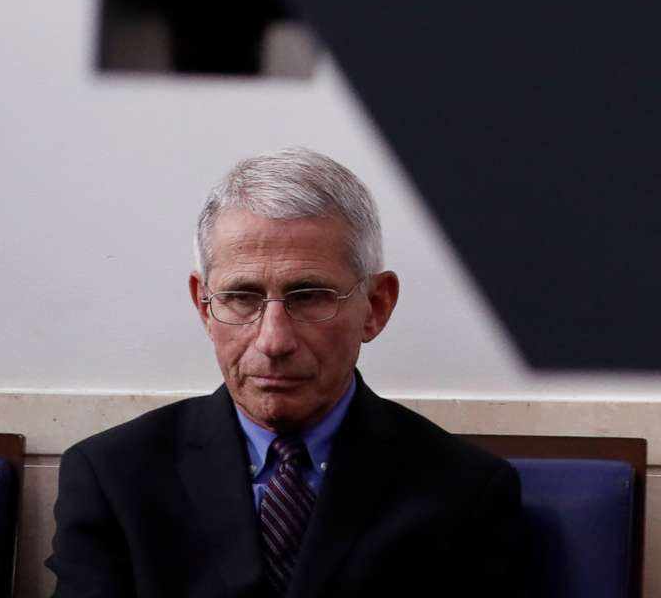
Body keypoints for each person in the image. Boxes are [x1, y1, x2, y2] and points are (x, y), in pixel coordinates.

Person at [46, 148, 523, 596]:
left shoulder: (465, 491)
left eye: (310, 296)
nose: (274, 341)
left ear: (375, 307)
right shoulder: (114, 476)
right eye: (242, 296)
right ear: (204, 306)